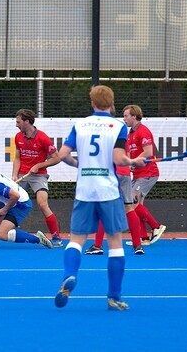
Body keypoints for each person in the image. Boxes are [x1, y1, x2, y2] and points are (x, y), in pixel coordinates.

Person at [53, 85, 145, 311]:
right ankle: (114, 297)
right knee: (115, 243)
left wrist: (78, 163)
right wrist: (134, 162)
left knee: (76, 240)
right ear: (111, 104)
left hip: (85, 190)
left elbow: (62, 155)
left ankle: (70, 275)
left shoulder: (80, 124)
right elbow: (119, 158)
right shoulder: (119, 126)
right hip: (108, 191)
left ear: (92, 102)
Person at [13, 109, 63, 247]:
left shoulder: (43, 138)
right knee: (7, 201)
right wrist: (14, 174)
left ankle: (56, 237)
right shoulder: (18, 137)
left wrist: (39, 165)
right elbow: (17, 158)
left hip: (39, 175)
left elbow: (56, 158)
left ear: (27, 122)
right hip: (22, 175)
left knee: (42, 204)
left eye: (18, 122)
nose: (16, 125)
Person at [123, 105, 166, 245]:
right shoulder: (130, 134)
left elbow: (148, 152)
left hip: (148, 173)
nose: (124, 119)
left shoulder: (143, 131)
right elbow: (129, 153)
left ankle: (156, 226)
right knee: (137, 205)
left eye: (126, 116)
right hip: (137, 174)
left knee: (133, 202)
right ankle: (144, 238)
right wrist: (129, 162)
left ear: (134, 116)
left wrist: (133, 162)